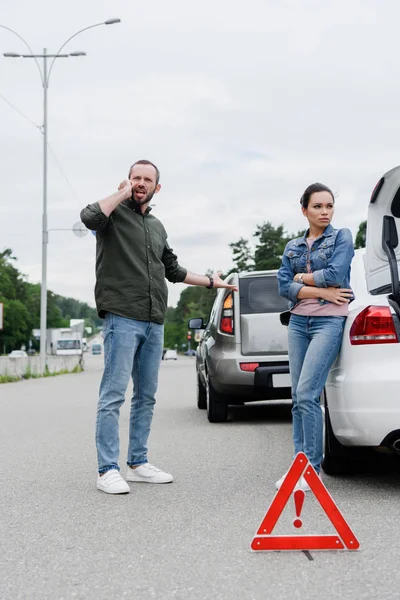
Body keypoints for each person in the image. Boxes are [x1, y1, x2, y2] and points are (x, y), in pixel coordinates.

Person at [80, 159, 237, 494]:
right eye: (135, 178)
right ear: (127, 181)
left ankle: (137, 463)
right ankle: (107, 469)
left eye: (146, 179)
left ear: (156, 187)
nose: (140, 183)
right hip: (121, 317)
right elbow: (88, 217)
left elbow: (174, 270)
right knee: (113, 395)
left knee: (147, 396)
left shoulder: (157, 226)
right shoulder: (111, 216)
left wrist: (212, 282)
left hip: (154, 321)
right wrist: (119, 194)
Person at [277, 183, 354, 491]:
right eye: (318, 206)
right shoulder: (293, 246)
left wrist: (302, 279)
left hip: (328, 321)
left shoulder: (342, 237)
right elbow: (283, 286)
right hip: (298, 322)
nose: (325, 212)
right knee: (298, 396)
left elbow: (336, 275)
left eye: (329, 206)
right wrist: (321, 290)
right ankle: (299, 465)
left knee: (308, 393)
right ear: (304, 210)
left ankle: (311, 468)